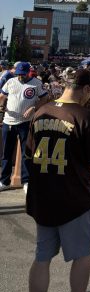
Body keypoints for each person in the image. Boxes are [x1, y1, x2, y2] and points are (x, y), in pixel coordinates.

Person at [26, 68, 90, 292]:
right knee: (81, 256)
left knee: (42, 257)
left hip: (43, 196)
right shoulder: (84, 116)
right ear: (87, 89)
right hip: (74, 197)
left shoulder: (41, 112)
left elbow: (30, 154)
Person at [0, 62, 47, 193]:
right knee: (6, 153)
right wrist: (2, 104)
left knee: (26, 153)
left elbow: (45, 98)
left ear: (28, 72)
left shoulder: (36, 83)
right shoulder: (10, 82)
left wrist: (33, 107)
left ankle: (26, 181)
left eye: (22, 74)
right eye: (18, 74)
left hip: (25, 123)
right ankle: (4, 181)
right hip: (9, 121)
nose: (20, 77)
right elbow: (2, 96)